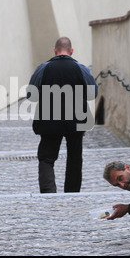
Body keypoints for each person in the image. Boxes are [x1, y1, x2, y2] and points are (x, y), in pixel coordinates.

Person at [28, 37, 98, 193]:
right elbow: (93, 93)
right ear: (71, 51)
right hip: (77, 119)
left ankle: (48, 192)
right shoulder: (82, 69)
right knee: (75, 157)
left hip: (49, 118)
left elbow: (31, 95)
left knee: (46, 158)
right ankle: (72, 192)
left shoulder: (43, 68)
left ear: (55, 50)